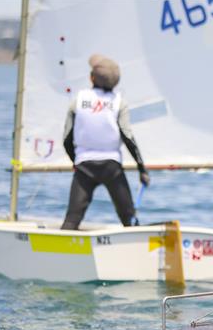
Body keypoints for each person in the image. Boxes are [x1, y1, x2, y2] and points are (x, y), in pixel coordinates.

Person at [60, 54, 150, 230]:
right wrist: (141, 169)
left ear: (92, 78)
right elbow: (127, 136)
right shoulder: (118, 103)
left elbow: (66, 139)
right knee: (129, 219)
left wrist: (75, 161)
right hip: (112, 168)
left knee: (72, 220)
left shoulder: (78, 101)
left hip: (84, 167)